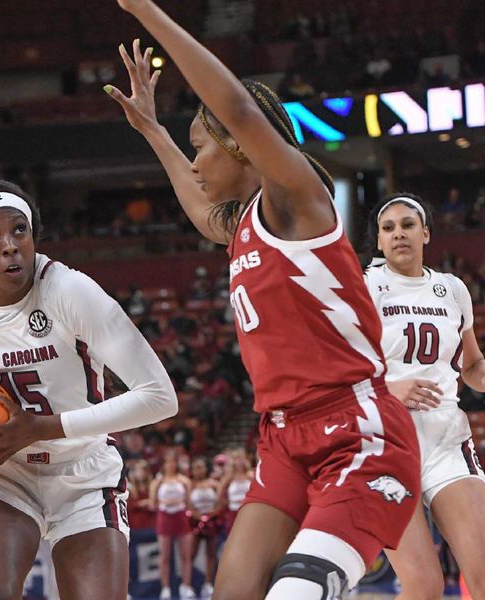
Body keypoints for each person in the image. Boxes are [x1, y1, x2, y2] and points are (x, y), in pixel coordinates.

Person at [105, 3, 420, 598]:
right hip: (281, 440)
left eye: (202, 145)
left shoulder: (296, 200)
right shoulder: (245, 223)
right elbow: (200, 210)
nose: (195, 161)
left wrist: (146, 9)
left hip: (357, 431)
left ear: (242, 146)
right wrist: (152, 131)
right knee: (234, 591)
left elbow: (242, 109)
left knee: (294, 594)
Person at [0, 178, 177, 600]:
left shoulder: (70, 291)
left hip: (83, 472)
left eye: (19, 230)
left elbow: (159, 397)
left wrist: (42, 427)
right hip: (7, 473)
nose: (9, 245)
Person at [364, 193, 485, 599]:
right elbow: (331, 371)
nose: (398, 233)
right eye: (388, 228)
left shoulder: (452, 289)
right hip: (385, 441)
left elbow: (471, 366)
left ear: (426, 234)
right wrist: (387, 387)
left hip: (445, 436)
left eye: (408, 225)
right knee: (424, 585)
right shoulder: (364, 286)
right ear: (379, 241)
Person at [150, 450, 194, 599]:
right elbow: (151, 505)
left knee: (186, 555)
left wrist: (179, 504)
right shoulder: (157, 482)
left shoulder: (184, 481)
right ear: (164, 464)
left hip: (181, 517)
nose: (171, 464)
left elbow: (189, 504)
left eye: (173, 461)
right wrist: (165, 503)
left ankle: (186, 587)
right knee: (164, 556)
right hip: (164, 518)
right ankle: (166, 588)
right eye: (168, 461)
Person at [188, 456, 224, 598]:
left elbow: (221, 503)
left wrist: (209, 517)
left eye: (201, 467)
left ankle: (208, 585)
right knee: (191, 554)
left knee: (211, 554)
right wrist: (199, 518)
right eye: (196, 467)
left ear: (206, 468)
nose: (198, 470)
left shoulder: (214, 484)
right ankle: (188, 585)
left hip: (211, 522)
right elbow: (188, 505)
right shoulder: (190, 484)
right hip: (195, 523)